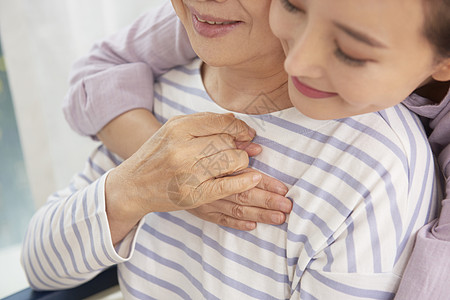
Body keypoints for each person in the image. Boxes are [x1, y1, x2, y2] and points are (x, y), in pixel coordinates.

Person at [22, 0, 447, 299]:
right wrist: (133, 189)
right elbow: (42, 267)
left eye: (352, 51)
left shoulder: (374, 163)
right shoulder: (150, 92)